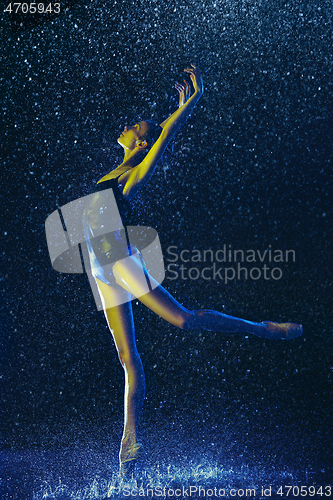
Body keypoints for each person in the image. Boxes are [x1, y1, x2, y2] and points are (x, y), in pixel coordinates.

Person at [82, 64, 303, 478]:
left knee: (183, 320)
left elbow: (162, 136)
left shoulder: (130, 176)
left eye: (134, 126)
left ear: (140, 140)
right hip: (98, 267)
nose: (127, 125)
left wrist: (193, 101)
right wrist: (172, 110)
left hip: (117, 258)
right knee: (127, 358)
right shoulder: (112, 173)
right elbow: (157, 130)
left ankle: (262, 328)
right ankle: (129, 442)